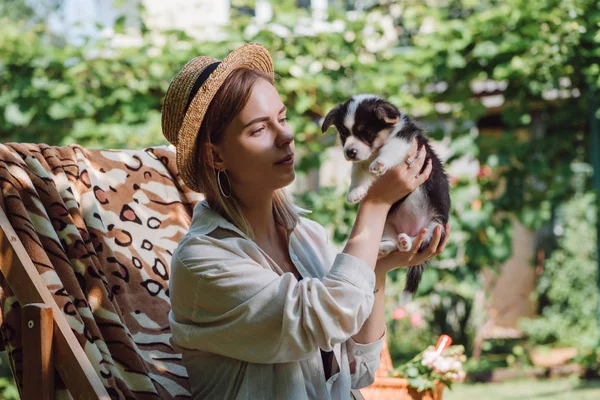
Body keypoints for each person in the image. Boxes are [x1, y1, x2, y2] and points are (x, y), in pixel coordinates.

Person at [161, 43, 449, 400]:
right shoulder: (202, 262)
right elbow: (325, 317)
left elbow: (358, 368)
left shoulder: (307, 237)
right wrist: (375, 203)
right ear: (215, 155)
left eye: (282, 118)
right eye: (258, 129)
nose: (286, 135)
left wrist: (378, 269)